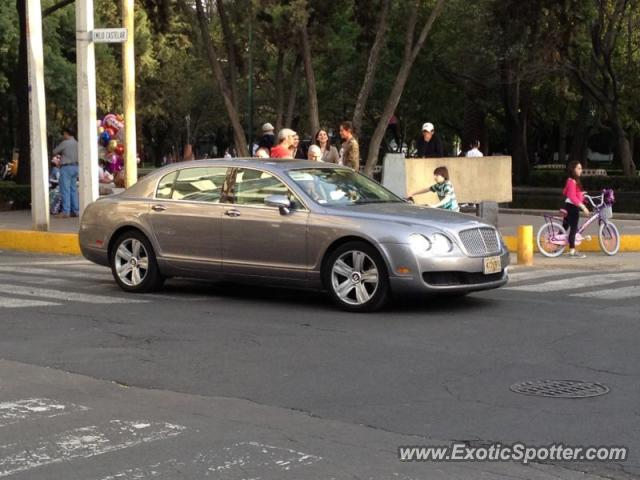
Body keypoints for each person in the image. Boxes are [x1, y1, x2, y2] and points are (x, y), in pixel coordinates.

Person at [562, 160, 589, 258]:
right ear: (573, 169)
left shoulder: (570, 180)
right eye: (579, 168)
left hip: (567, 206)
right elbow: (572, 197)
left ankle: (555, 247)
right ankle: (572, 251)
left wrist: (580, 194)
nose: (581, 170)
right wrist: (583, 207)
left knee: (564, 227)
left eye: (581, 168)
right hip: (572, 208)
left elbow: (565, 192)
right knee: (573, 229)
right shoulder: (572, 181)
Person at [52, 128, 79, 218]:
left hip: (66, 168)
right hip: (76, 167)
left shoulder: (65, 143)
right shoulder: (77, 143)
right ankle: (75, 211)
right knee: (73, 189)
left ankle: (66, 211)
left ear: (66, 133)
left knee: (65, 190)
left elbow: (54, 151)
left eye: (63, 134)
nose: (63, 136)